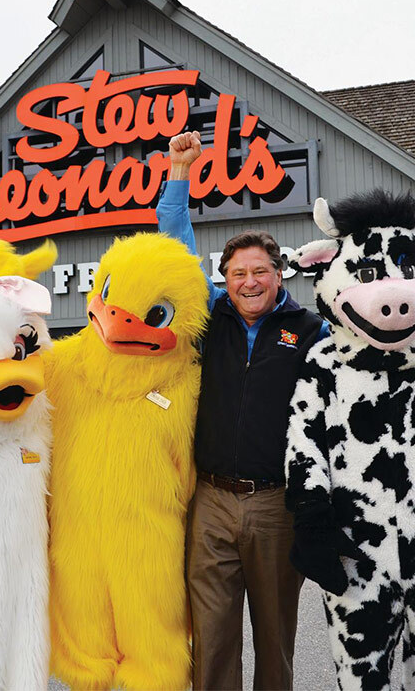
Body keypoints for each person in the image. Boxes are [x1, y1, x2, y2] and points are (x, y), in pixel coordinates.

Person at [157, 130, 329, 690]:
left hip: (276, 503)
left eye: (259, 272)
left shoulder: (310, 331)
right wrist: (179, 169)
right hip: (211, 499)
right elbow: (175, 241)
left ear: (278, 274)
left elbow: (364, 360)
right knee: (211, 633)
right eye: (237, 274)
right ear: (224, 281)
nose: (248, 282)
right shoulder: (213, 316)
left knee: (275, 635)